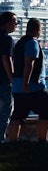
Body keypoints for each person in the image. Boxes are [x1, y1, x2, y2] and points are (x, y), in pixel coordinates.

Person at [7, 18, 48, 143]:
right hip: (32, 87)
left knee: (18, 115)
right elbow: (30, 63)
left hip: (18, 86)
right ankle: (42, 140)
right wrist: (26, 82)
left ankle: (12, 142)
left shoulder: (19, 43)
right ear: (38, 30)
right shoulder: (32, 43)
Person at [0, 12, 17, 143]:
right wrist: (12, 79)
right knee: (6, 112)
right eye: (15, 22)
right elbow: (7, 59)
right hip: (4, 82)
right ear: (8, 23)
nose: (16, 25)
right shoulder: (7, 39)